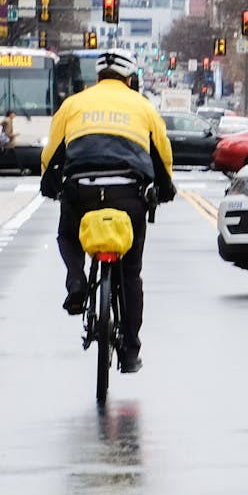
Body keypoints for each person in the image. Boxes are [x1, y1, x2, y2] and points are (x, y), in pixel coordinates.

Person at [41, 49, 175, 374]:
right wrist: (166, 188)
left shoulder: (74, 104)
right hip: (129, 194)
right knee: (130, 273)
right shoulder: (143, 107)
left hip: (81, 190)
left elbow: (52, 152)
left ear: (96, 78)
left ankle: (75, 281)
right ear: (130, 80)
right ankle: (129, 352)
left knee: (67, 234)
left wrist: (49, 182)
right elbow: (162, 156)